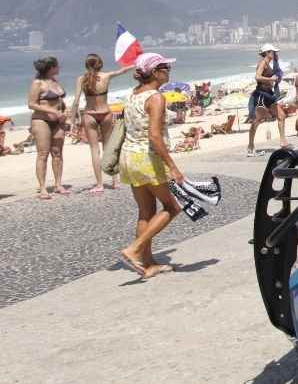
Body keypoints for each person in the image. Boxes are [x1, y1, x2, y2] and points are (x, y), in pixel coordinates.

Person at [116, 53, 185, 279]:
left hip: (128, 157)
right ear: (154, 72)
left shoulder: (133, 94)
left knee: (145, 212)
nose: (168, 71)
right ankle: (134, 249)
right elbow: (155, 136)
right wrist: (172, 167)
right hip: (146, 158)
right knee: (172, 207)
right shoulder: (156, 98)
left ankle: (147, 264)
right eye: (165, 67)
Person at [69, 53, 134, 193]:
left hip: (90, 114)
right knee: (108, 148)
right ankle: (115, 181)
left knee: (94, 150)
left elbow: (76, 101)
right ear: (100, 64)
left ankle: (99, 184)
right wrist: (135, 64)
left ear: (86, 65)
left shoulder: (81, 79)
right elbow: (122, 71)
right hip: (105, 113)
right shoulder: (106, 76)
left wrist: (72, 120)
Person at [27, 56, 71, 199]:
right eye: (57, 66)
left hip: (58, 122)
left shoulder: (54, 81)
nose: (59, 68)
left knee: (57, 153)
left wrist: (65, 111)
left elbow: (59, 100)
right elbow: (31, 104)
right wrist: (51, 111)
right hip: (41, 120)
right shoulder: (37, 83)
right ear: (51, 67)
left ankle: (58, 184)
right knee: (43, 154)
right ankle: (43, 188)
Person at [247, 44, 289, 157]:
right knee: (257, 121)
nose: (274, 54)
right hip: (261, 94)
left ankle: (283, 141)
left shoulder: (269, 64)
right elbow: (257, 77)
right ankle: (250, 145)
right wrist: (270, 79)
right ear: (267, 52)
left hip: (269, 94)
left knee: (281, 116)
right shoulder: (262, 63)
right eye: (272, 52)